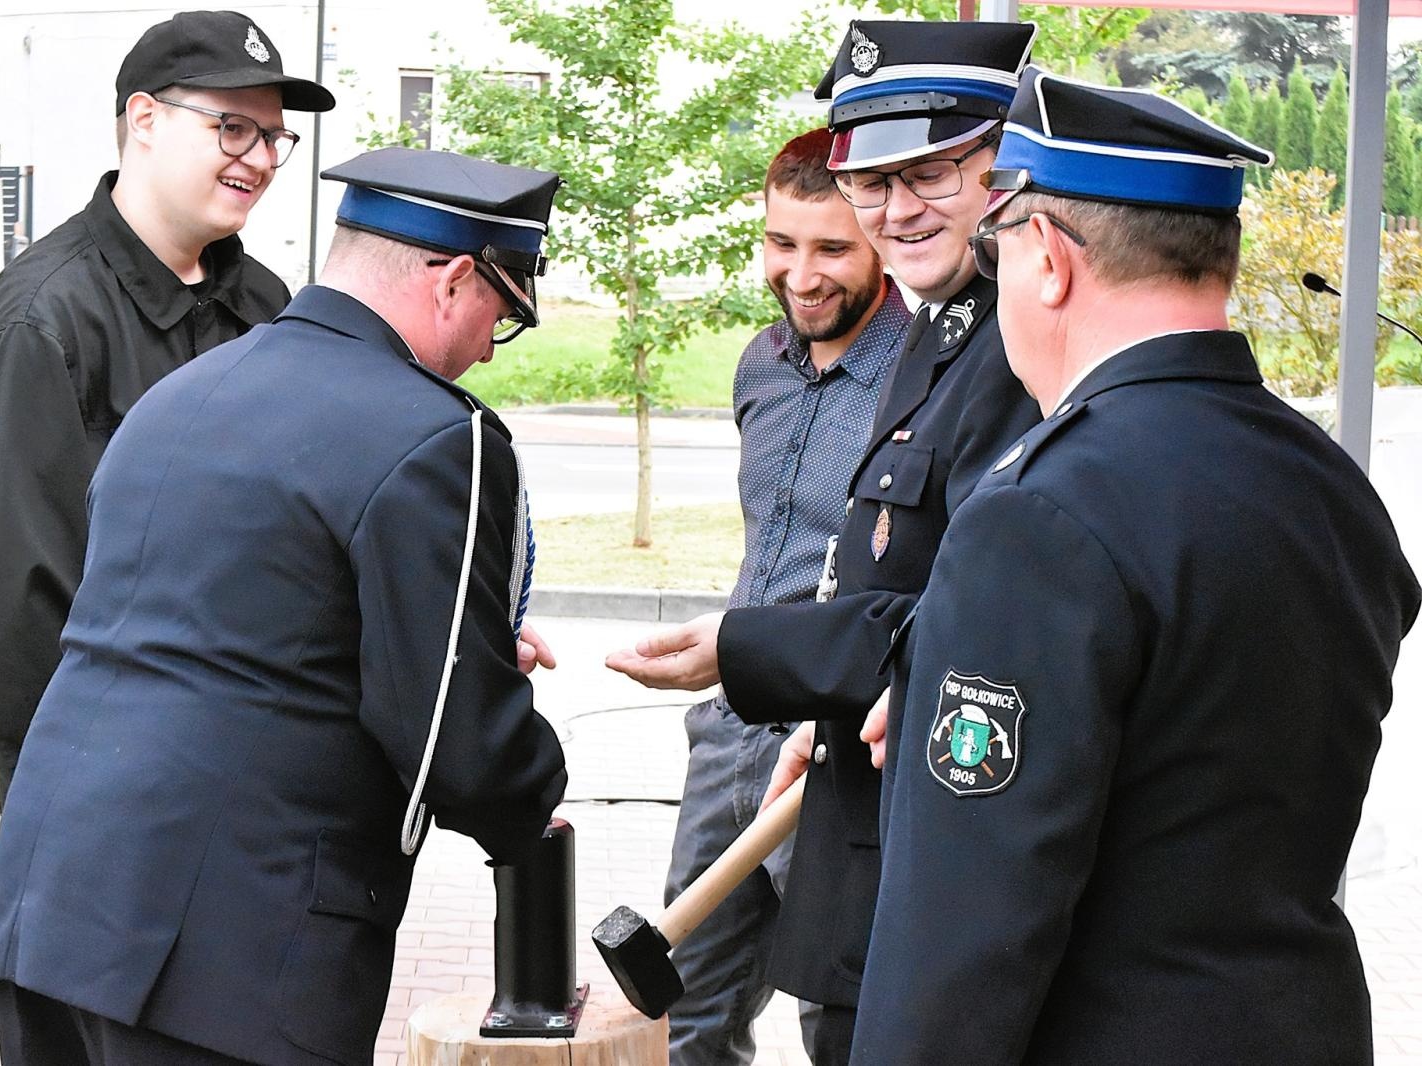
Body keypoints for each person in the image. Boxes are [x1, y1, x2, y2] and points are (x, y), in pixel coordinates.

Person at [850, 69, 1421, 1065]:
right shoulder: (1329, 484)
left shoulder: (1035, 515)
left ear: (1049, 259)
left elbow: (963, 932)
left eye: (996, 247)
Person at [0, 147, 571, 1066]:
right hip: (229, 956)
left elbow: (244, 623)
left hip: (48, 913)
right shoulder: (439, 436)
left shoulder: (180, 393)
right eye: (501, 313)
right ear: (453, 280)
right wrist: (528, 792)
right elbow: (461, 741)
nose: (489, 346)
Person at [606, 21, 1040, 1063]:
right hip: (787, 733)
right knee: (701, 1017)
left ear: (1004, 170)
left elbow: (990, 609)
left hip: (904, 761)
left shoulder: (1003, 340)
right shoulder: (830, 353)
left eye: (928, 173)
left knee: (850, 1022)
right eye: (871, 182)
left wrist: (772, 660)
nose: (894, 211)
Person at [0, 9, 334, 807]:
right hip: (106, 784)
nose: (259, 159)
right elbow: (30, 611)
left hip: (252, 759)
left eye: (273, 138)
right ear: (145, 119)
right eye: (232, 129)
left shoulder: (265, 303)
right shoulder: (41, 323)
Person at [663, 128, 910, 1066]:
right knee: (686, 1010)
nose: (802, 275)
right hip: (732, 728)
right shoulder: (759, 362)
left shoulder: (924, 376)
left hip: (843, 739)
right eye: (782, 243)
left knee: (839, 1021)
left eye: (832, 249)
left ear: (882, 241)